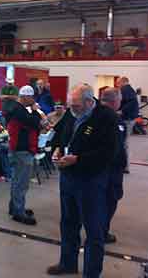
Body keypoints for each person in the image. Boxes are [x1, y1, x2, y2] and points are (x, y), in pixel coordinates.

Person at [47, 84, 118, 278]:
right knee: (68, 223)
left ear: (89, 102)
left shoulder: (106, 118)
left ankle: (92, 273)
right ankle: (68, 263)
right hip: (68, 178)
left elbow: (108, 153)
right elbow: (61, 134)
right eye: (71, 105)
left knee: (94, 231)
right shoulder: (72, 113)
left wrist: (78, 159)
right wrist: (57, 149)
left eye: (76, 105)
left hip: (91, 181)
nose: (72, 109)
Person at [2, 85, 42, 225]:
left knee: (16, 181)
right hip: (22, 151)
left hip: (18, 149)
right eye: (32, 97)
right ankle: (19, 212)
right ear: (25, 97)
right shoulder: (19, 111)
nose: (34, 100)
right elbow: (35, 123)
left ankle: (15, 207)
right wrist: (36, 112)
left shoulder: (16, 109)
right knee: (21, 183)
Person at [100, 88, 127, 244]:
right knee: (110, 200)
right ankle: (101, 232)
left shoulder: (94, 115)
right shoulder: (115, 120)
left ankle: (99, 230)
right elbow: (116, 147)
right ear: (115, 101)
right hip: (111, 169)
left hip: (99, 168)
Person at [116, 76, 138, 174]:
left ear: (123, 82)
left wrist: (121, 111)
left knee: (124, 142)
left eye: (118, 83)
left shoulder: (126, 89)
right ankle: (124, 165)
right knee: (124, 142)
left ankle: (125, 165)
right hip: (129, 118)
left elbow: (131, 102)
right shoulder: (130, 90)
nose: (117, 85)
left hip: (127, 119)